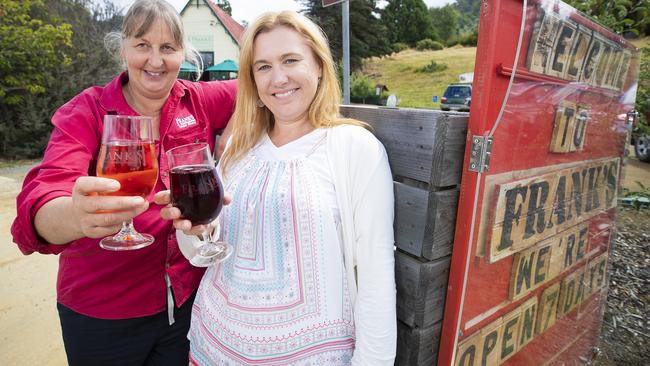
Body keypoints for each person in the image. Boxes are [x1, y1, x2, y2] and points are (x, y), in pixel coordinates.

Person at [159, 10, 396, 365]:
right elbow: (199, 251)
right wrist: (196, 231)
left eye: (290, 60)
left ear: (318, 65)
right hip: (214, 350)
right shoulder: (240, 145)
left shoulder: (353, 148)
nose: (278, 77)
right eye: (263, 66)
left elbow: (377, 281)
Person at [10, 1, 236, 365]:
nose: (155, 61)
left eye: (167, 48)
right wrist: (76, 216)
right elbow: (40, 200)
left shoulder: (198, 100)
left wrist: (236, 127)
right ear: (123, 48)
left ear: (183, 53)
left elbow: (260, 87)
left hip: (186, 306)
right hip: (102, 315)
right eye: (142, 45)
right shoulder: (88, 111)